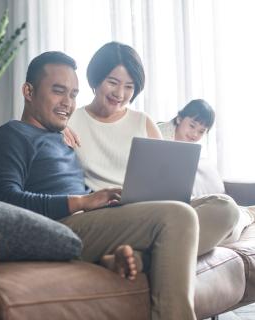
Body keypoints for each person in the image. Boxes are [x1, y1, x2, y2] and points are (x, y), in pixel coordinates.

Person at [0, 51, 200, 320]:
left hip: (94, 218)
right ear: (28, 91)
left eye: (73, 95)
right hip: (61, 227)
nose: (68, 103)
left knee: (211, 208)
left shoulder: (60, 136)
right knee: (178, 216)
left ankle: (134, 258)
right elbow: (0, 200)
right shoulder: (10, 136)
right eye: (58, 91)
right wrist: (82, 201)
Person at [66, 41, 239, 255]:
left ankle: (142, 258)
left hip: (154, 209)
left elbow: (168, 182)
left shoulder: (143, 121)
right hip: (109, 216)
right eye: (113, 82)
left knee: (225, 208)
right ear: (96, 78)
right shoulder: (70, 122)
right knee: (178, 220)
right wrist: (59, 129)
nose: (120, 93)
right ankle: (149, 255)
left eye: (129, 87)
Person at [158, 99, 255, 239]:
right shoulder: (156, 134)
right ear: (179, 118)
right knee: (224, 231)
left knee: (224, 225)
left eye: (201, 131)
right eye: (192, 126)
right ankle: (248, 214)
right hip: (163, 204)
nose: (195, 134)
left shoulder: (188, 150)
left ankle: (247, 214)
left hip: (178, 202)